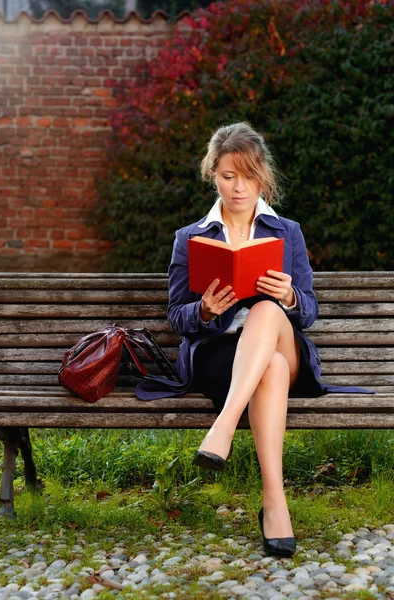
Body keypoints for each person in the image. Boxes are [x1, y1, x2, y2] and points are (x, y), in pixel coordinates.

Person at [135, 121, 369, 556]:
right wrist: (204, 310)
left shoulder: (287, 232)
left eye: (247, 175)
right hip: (223, 356)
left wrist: (291, 297)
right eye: (228, 176)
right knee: (270, 370)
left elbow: (310, 310)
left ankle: (222, 428)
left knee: (266, 311)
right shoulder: (190, 239)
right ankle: (275, 503)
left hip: (282, 341)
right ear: (213, 175)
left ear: (262, 175)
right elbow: (176, 317)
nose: (239, 187)